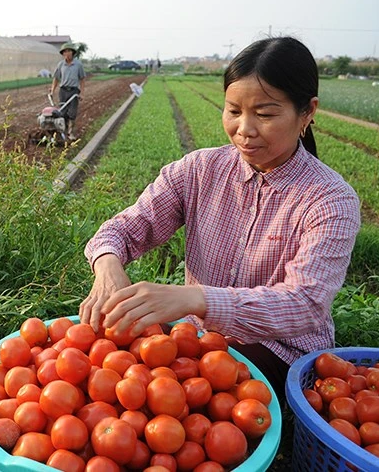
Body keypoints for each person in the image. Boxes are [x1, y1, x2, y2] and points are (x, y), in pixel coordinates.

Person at [78, 36, 360, 400]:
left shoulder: (330, 199)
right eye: (233, 111)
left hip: (277, 349)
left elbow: (304, 303)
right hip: (196, 337)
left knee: (175, 394)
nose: (245, 129)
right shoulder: (198, 170)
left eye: (265, 113)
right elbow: (123, 230)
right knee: (120, 366)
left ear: (307, 112)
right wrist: (107, 267)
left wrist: (198, 299)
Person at [51, 42, 86, 140]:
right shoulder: (61, 64)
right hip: (63, 91)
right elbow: (56, 78)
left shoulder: (78, 64)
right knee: (62, 112)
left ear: (72, 53)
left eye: (69, 51)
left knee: (72, 113)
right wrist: (52, 90)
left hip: (74, 91)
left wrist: (82, 93)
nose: (67, 53)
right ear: (63, 54)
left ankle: (71, 133)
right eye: (65, 52)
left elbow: (82, 79)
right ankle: (63, 131)